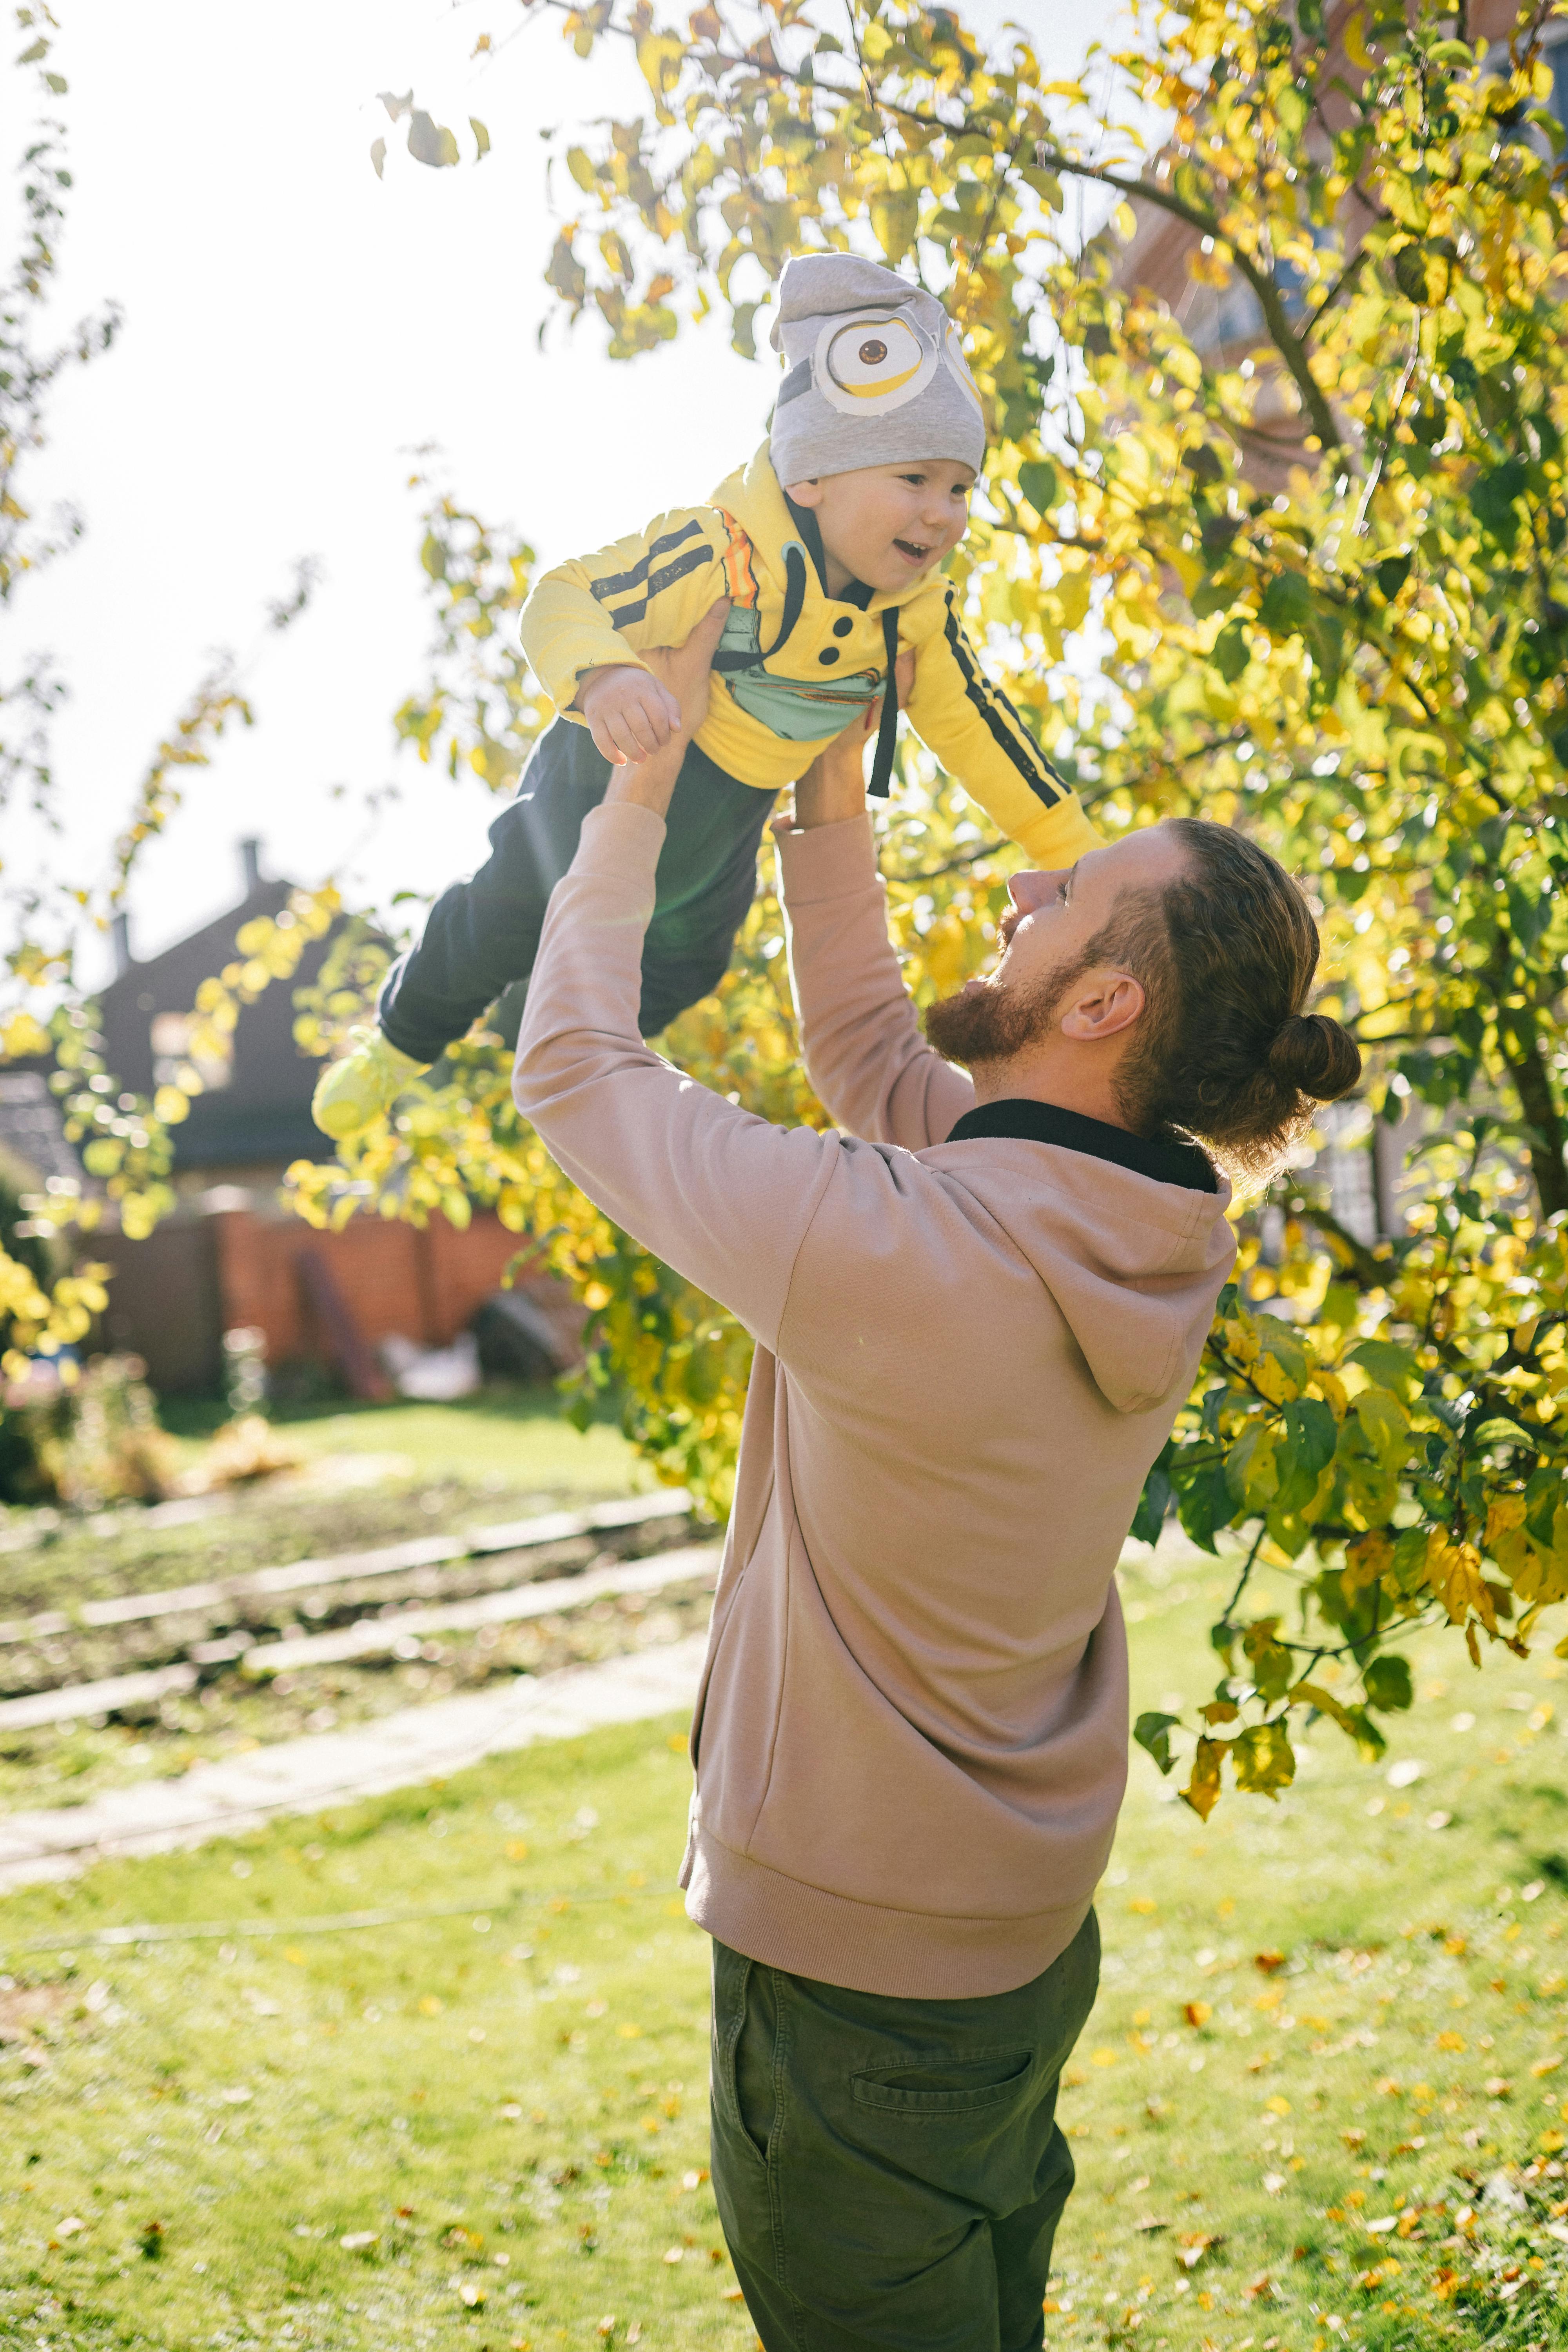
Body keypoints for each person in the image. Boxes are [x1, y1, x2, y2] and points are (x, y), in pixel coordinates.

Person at [508, 618, 1361, 2350]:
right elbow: (887, 1075)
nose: (1019, 901)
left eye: (1056, 905)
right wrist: (833, 809)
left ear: (1105, 1003)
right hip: (1008, 1948)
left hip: (852, 1995)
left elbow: (574, 1071)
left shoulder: (906, 1250)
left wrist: (638, 789)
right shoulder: (1132, 1228)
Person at [312, 250, 1102, 1142]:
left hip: (735, 811)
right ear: (810, 476)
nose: (941, 513)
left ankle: (532, 1032)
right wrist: (603, 674)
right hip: (605, 769)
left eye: (959, 488)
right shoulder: (717, 550)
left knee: (692, 962)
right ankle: (399, 1042)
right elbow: (563, 595)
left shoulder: (914, 614)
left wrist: (1083, 859)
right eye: (912, 479)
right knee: (500, 911)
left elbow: (980, 733)